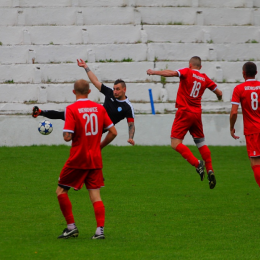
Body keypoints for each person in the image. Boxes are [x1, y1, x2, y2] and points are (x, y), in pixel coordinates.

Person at [147, 56, 222, 189]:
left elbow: (171, 73)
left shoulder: (187, 71)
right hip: (196, 114)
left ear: (190, 64)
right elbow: (219, 92)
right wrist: (219, 97)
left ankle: (197, 163)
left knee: (175, 143)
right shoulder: (204, 77)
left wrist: (154, 72)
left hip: (184, 112)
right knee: (201, 143)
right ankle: (210, 169)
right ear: (201, 67)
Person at [56, 79, 117, 239]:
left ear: (73, 92)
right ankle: (99, 231)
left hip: (78, 158)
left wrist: (67, 133)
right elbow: (113, 132)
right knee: (95, 195)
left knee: (61, 190)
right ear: (90, 92)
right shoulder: (99, 108)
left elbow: (67, 137)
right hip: (95, 158)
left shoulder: (71, 109)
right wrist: (99, 146)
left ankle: (71, 227)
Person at [32, 59, 135, 145]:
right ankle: (41, 112)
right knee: (63, 115)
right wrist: (86, 67)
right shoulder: (109, 92)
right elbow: (95, 81)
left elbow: (131, 124)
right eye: (114, 89)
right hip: (90, 120)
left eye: (117, 89)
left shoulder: (127, 107)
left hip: (98, 129)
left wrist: (130, 137)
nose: (115, 92)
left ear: (124, 90)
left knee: (87, 149)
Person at [230, 61, 260, 187]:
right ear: (256, 73)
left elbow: (234, 113)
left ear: (243, 73)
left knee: (255, 163)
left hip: (253, 130)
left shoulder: (239, 89)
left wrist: (232, 127)